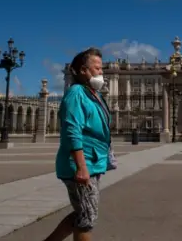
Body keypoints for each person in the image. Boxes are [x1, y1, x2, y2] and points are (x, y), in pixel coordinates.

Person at [44, 47, 112, 241]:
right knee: (87, 218)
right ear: (83, 70)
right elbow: (72, 131)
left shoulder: (90, 94)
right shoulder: (76, 93)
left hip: (92, 162)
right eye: (97, 68)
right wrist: (81, 167)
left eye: (102, 68)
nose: (101, 72)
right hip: (82, 165)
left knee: (83, 214)